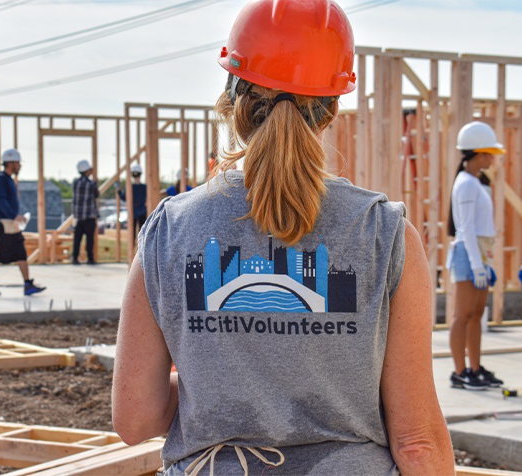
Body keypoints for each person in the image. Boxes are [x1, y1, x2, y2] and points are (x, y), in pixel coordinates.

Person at [112, 1, 454, 475]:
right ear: (332, 107)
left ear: (231, 98)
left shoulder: (170, 230)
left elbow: (135, 419)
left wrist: (211, 387)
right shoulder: (384, 232)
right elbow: (416, 443)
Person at [447, 121, 505, 390]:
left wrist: (483, 262)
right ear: (478, 153)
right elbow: (466, 228)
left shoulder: (475, 182)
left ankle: (475, 367)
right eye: (489, 153)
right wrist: (476, 265)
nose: (492, 158)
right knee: (463, 314)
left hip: (478, 253)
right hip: (468, 254)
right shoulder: (467, 184)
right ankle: (460, 372)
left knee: (477, 312)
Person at [0, 149, 45, 296]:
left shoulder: (9, 180)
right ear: (11, 163)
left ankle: (28, 284)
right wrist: (14, 215)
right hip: (3, 225)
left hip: (12, 225)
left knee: (21, 253)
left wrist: (17, 216)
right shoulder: (1, 179)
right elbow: (1, 201)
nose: (20, 166)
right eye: (18, 163)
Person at [72, 159, 99, 265]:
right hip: (89, 216)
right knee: (89, 239)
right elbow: (96, 194)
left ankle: (75, 258)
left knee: (77, 239)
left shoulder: (75, 183)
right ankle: (90, 259)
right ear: (87, 171)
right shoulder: (92, 184)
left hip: (78, 216)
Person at [115, 163, 147, 241]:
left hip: (136, 211)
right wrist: (118, 190)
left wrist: (118, 189)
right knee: (140, 233)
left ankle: (136, 250)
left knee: (140, 233)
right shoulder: (144, 187)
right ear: (140, 174)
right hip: (139, 211)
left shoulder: (131, 187)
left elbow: (124, 198)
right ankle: (136, 250)